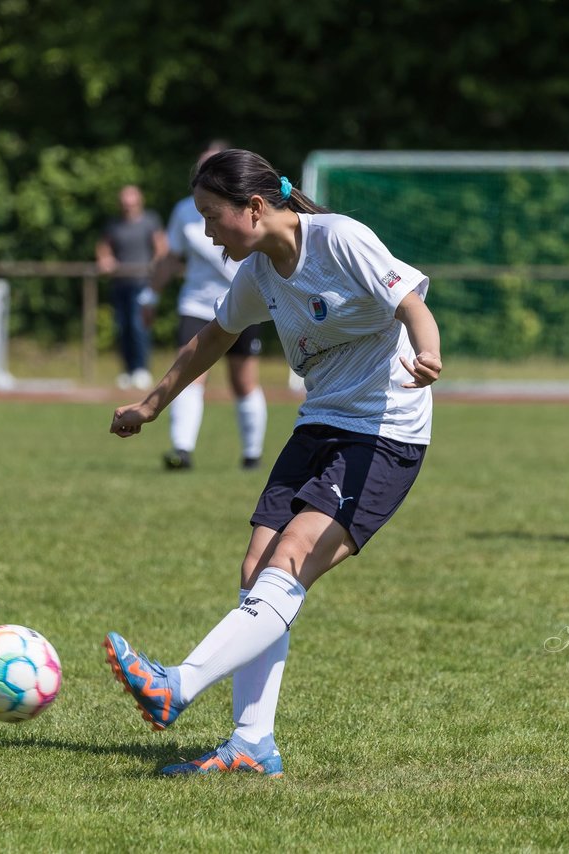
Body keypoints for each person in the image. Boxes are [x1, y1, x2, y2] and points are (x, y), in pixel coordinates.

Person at [105, 149, 442, 776]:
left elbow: (412, 303)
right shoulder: (259, 272)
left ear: (254, 208)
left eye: (212, 216)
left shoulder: (340, 239)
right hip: (320, 424)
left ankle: (177, 685)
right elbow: (212, 339)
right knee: (258, 565)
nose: (207, 232)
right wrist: (151, 406)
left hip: (384, 432)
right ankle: (251, 744)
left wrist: (429, 353)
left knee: (291, 557)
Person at [150, 141, 267, 471]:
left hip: (243, 303)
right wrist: (150, 296)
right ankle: (182, 450)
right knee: (189, 374)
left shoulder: (247, 210)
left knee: (243, 381)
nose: (209, 230)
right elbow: (170, 257)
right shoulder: (182, 211)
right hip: (197, 304)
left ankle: (252, 455)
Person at [96, 184, 168, 390]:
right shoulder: (114, 224)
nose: (128, 208)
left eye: (132, 204)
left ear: (139, 203)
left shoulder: (149, 221)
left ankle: (141, 369)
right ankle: (127, 370)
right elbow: (103, 246)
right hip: (120, 283)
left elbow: (162, 247)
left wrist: (155, 265)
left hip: (143, 283)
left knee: (140, 327)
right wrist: (106, 259)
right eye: (125, 204)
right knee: (122, 327)